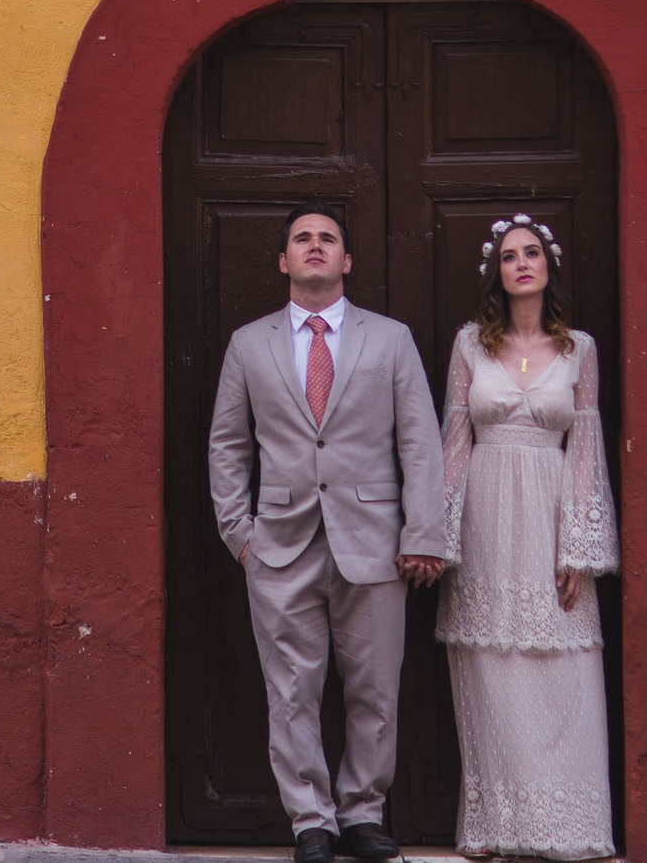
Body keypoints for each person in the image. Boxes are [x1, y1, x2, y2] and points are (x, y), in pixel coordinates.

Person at [208, 208, 446, 863]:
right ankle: (310, 820)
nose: (315, 247)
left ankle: (364, 812)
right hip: (278, 546)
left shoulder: (390, 340)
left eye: (328, 239)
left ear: (347, 262)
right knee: (291, 691)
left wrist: (424, 531)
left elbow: (420, 442)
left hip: (374, 542)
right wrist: (240, 535)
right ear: (284, 261)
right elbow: (228, 445)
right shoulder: (248, 344)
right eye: (302, 239)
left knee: (374, 688)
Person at [435, 215, 620, 861]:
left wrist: (581, 550)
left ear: (548, 266)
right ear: (498, 272)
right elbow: (453, 447)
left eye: (532, 253)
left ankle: (569, 829)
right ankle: (499, 829)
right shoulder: (469, 346)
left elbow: (586, 451)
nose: (521, 263)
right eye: (510, 255)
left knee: (561, 668)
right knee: (492, 669)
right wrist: (440, 537)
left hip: (549, 519)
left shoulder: (580, 350)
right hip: (486, 521)